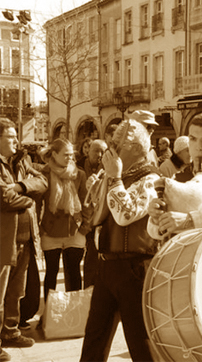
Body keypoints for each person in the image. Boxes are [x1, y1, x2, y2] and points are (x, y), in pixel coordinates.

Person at [80, 119, 161, 362]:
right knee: (94, 337)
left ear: (137, 149)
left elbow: (126, 215)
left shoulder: (150, 177)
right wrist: (101, 185)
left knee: (140, 342)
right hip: (107, 265)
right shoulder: (115, 174)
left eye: (117, 145)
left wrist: (114, 179)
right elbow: (93, 213)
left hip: (134, 268)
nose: (110, 150)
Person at [0, 118, 48, 361]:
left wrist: (20, 187)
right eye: (10, 137)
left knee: (16, 290)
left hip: (25, 237)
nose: (17, 141)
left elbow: (42, 182)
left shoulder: (21, 160)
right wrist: (29, 198)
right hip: (3, 239)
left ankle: (10, 331)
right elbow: (3, 199)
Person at [38, 138, 91, 301]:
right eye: (65, 154)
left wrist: (84, 227)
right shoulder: (44, 173)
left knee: (74, 273)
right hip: (50, 231)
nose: (70, 158)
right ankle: (48, 315)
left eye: (71, 155)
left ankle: (74, 314)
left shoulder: (79, 174)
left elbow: (86, 202)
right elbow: (38, 203)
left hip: (74, 230)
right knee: (51, 273)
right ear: (54, 154)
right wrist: (40, 229)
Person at [80, 140, 107, 288]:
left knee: (93, 260)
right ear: (88, 150)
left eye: (103, 151)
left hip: (97, 222)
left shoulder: (108, 170)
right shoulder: (77, 167)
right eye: (96, 150)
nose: (100, 155)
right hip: (80, 221)